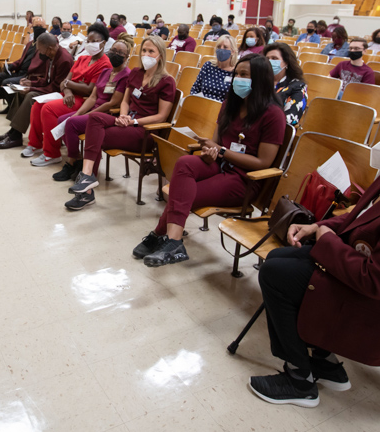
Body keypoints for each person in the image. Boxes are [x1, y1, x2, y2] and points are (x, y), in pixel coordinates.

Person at [249, 114, 380, 408]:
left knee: (277, 274)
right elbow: (359, 218)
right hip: (371, 278)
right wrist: (316, 227)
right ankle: (326, 364)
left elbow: (376, 282)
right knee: (278, 258)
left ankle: (299, 380)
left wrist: (326, 240)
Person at [134, 54, 286, 266]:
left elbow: (263, 163)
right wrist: (209, 151)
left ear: (260, 79)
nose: (237, 79)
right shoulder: (230, 104)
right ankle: (174, 241)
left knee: (184, 193)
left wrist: (221, 151)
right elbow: (216, 143)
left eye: (244, 75)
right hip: (219, 164)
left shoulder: (273, 114)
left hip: (244, 179)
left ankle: (163, 234)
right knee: (184, 163)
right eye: (236, 74)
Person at [64, 35, 176, 210]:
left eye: (151, 51)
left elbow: (161, 117)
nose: (146, 54)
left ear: (160, 55)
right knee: (94, 118)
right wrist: (123, 116)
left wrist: (134, 122)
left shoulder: (167, 81)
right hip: (126, 122)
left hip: (145, 131)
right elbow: (125, 101)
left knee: (97, 135)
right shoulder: (137, 73)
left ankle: (86, 189)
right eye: (144, 50)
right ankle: (87, 177)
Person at [24, 27, 114, 165]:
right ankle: (35, 144)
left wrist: (68, 84)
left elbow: (90, 90)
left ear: (103, 43)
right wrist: (68, 90)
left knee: (48, 109)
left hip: (84, 101)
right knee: (37, 105)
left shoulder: (105, 64)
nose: (90, 44)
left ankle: (52, 153)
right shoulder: (83, 58)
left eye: (94, 41)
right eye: (88, 41)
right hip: (70, 96)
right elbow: (63, 82)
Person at [53, 38, 133, 182]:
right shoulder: (106, 71)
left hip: (106, 114)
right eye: (114, 50)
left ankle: (72, 162)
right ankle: (78, 159)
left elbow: (113, 102)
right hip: (95, 108)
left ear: (127, 57)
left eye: (121, 52)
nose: (116, 54)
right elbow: (93, 97)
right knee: (62, 119)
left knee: (71, 124)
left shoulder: (126, 75)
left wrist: (89, 114)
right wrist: (78, 113)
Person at [0, 32, 73, 150]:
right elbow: (47, 80)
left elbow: (55, 87)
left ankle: (15, 136)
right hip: (51, 89)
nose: (40, 54)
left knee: (30, 95)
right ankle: (13, 131)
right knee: (20, 93)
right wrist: (32, 83)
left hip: (60, 92)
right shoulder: (51, 56)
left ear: (49, 48)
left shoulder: (64, 60)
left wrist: (32, 88)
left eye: (41, 51)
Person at [0, 19, 45, 110]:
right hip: (20, 71)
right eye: (36, 26)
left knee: (6, 82)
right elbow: (22, 59)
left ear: (45, 27)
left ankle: (14, 108)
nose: (38, 28)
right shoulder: (30, 44)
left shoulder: (45, 44)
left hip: (29, 75)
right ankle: (10, 104)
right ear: (32, 27)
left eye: (41, 26)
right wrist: (12, 66)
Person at [265, 42, 307, 126]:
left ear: (286, 62)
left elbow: (291, 119)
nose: (269, 62)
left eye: (274, 58)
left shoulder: (297, 86)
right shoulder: (258, 80)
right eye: (267, 59)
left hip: (272, 130)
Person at [190, 35, 236, 101]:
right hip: (201, 104)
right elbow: (195, 88)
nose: (221, 49)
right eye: (219, 47)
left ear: (232, 51)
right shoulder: (208, 66)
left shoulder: (236, 72)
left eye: (225, 47)